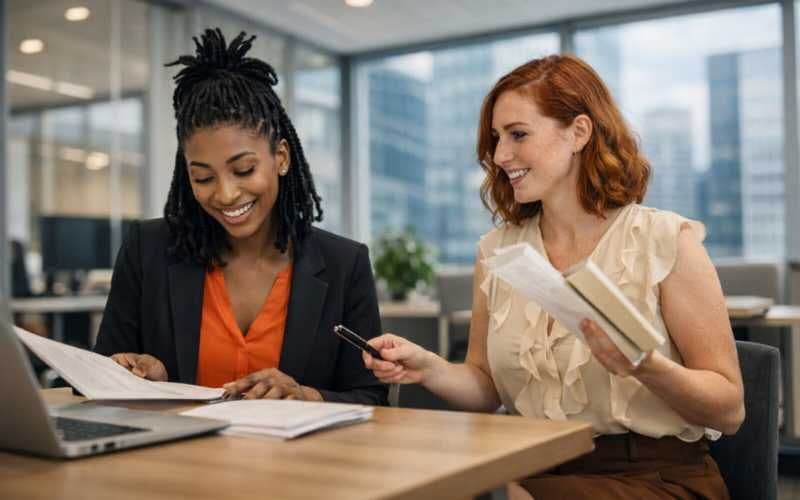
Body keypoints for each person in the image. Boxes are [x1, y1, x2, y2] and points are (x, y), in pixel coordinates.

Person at [363, 54, 743, 499]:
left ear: (578, 132)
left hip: (653, 477)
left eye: (518, 134)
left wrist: (645, 366)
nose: (500, 155)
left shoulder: (665, 241)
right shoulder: (497, 251)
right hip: (533, 466)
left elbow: (730, 410)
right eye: (496, 138)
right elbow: (486, 388)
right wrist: (430, 368)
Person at [94, 29, 386, 406]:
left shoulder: (345, 264)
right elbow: (99, 377)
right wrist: (142, 377)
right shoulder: (146, 250)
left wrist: (305, 395)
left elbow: (373, 400)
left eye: (244, 170)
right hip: (173, 463)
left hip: (299, 464)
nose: (226, 194)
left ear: (280, 157)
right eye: (203, 177)